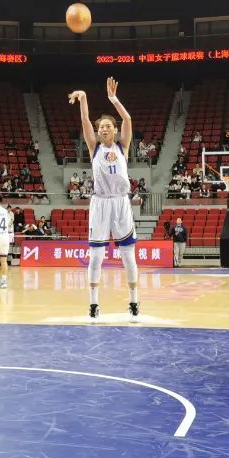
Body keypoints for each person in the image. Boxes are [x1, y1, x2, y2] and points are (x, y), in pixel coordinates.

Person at [69, 77, 140, 322]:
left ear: (115, 130)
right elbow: (85, 121)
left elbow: (128, 119)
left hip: (120, 202)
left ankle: (134, 302)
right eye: (101, 127)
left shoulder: (123, 147)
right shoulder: (94, 148)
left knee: (128, 255)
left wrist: (113, 99)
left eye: (108, 126)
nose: (104, 129)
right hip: (100, 202)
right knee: (96, 256)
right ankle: (93, 304)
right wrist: (83, 98)